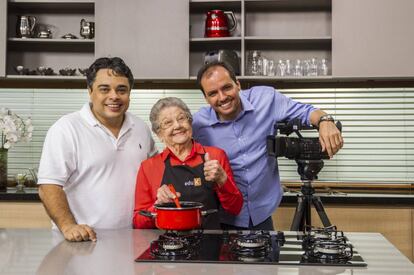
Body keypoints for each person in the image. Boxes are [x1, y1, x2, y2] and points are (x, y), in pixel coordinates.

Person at [192, 61, 343, 230]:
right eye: (213, 93)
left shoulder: (266, 99)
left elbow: (306, 112)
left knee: (270, 256)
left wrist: (325, 120)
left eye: (227, 87)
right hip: (221, 218)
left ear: (238, 84)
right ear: (205, 98)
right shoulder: (198, 124)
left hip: (262, 215)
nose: (222, 97)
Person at [37, 57, 157, 242]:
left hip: (131, 239)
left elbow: (154, 174)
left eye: (121, 90)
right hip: (82, 240)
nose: (114, 96)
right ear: (90, 91)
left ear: (129, 94)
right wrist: (68, 225)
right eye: (104, 89)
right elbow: (48, 186)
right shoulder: (66, 128)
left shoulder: (140, 128)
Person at [133, 97, 243, 229]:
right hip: (168, 245)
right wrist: (158, 206)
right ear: (159, 134)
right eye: (168, 123)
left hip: (210, 241)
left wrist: (222, 180)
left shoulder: (215, 156)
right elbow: (138, 221)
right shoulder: (149, 167)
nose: (177, 126)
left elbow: (235, 208)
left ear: (190, 122)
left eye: (181, 118)